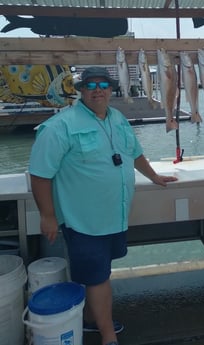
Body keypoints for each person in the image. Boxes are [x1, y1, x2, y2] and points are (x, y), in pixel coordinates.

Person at [28, 66, 178, 345]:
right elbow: (39, 173)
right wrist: (47, 215)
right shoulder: (60, 126)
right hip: (84, 220)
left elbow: (134, 153)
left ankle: (90, 320)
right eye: (91, 85)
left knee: (100, 272)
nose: (98, 89)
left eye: (104, 85)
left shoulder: (117, 117)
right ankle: (108, 336)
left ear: (111, 89)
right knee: (98, 279)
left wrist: (154, 176)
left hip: (114, 216)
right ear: (81, 90)